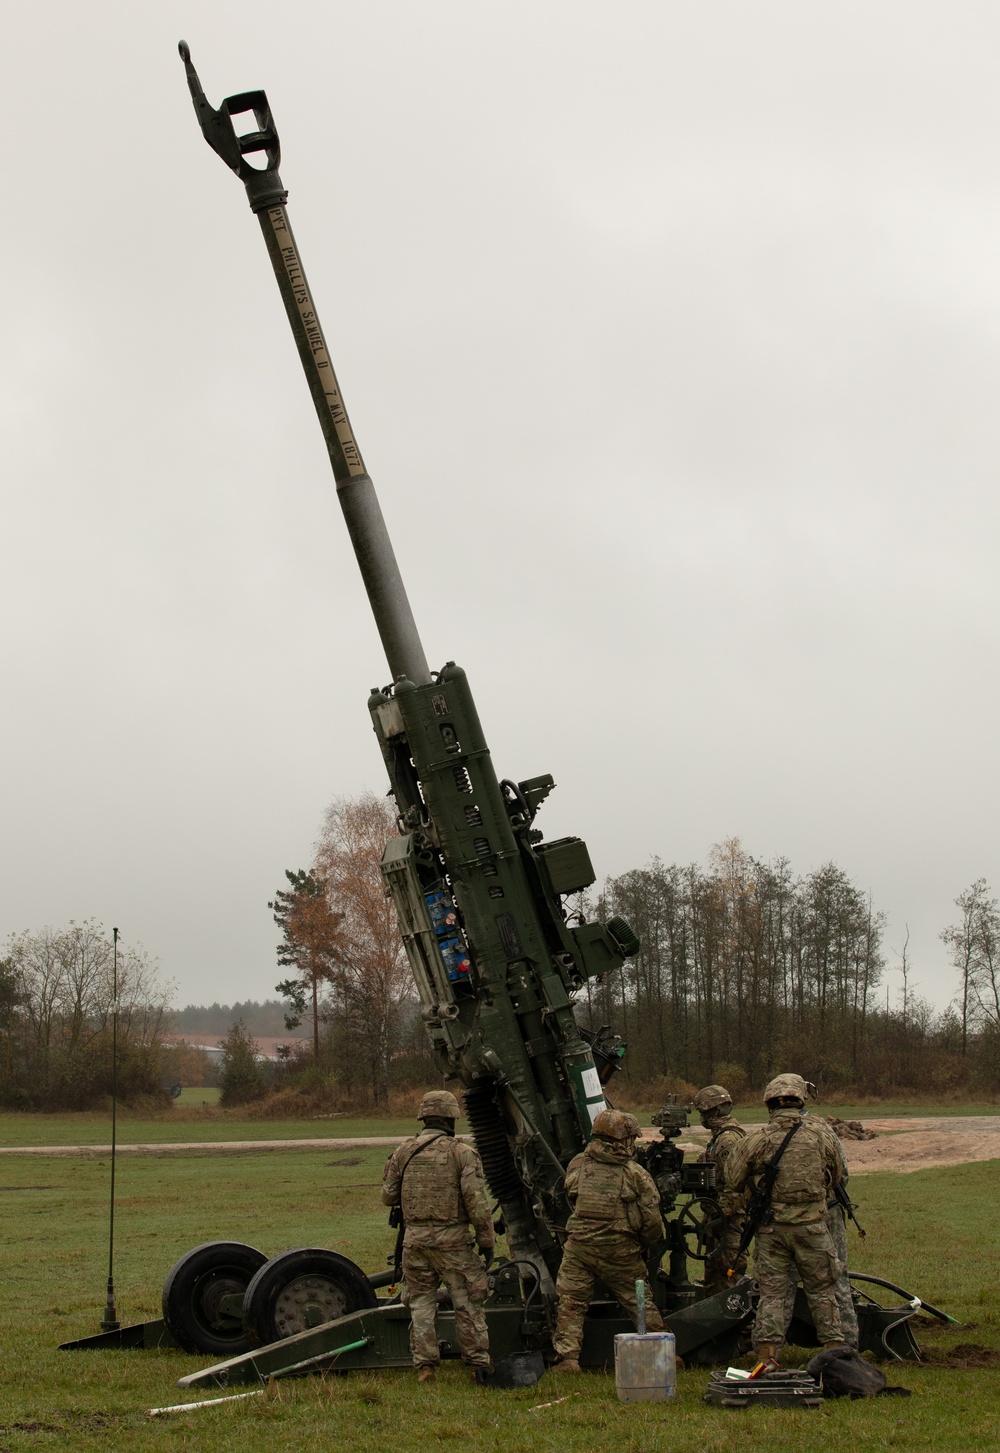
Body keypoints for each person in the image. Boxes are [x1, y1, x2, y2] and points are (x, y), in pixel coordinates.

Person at [726, 1073, 849, 1372]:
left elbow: (732, 1178)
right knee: (823, 1290)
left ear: (769, 1104)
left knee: (772, 1294)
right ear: (801, 1102)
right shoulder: (821, 1135)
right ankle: (837, 1356)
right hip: (814, 1229)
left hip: (772, 1232)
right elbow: (837, 1176)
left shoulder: (757, 1139)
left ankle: (767, 1359)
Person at [381, 1088, 495, 1385]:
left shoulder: (404, 1151)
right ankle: (477, 1364)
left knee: (420, 1303)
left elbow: (388, 1195)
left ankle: (425, 1367)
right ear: (452, 1118)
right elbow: (476, 1203)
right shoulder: (462, 1153)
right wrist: (487, 1242)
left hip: (415, 1241)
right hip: (453, 1242)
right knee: (468, 1301)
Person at [551, 1108, 665, 1373]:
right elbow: (652, 1221)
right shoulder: (635, 1173)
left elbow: (571, 1197)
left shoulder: (578, 1163)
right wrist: (643, 1244)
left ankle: (568, 1358)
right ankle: (661, 1350)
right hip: (619, 1250)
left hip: (579, 1246)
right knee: (638, 1299)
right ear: (624, 1139)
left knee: (570, 1300)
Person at [692, 1084, 747, 1295]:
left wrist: (716, 1214)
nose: (702, 1118)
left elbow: (734, 1188)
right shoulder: (720, 1138)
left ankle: (735, 1325)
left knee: (728, 1278)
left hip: (730, 1223)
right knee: (713, 1279)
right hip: (720, 1220)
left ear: (713, 1111)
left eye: (703, 1112)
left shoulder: (727, 1141)